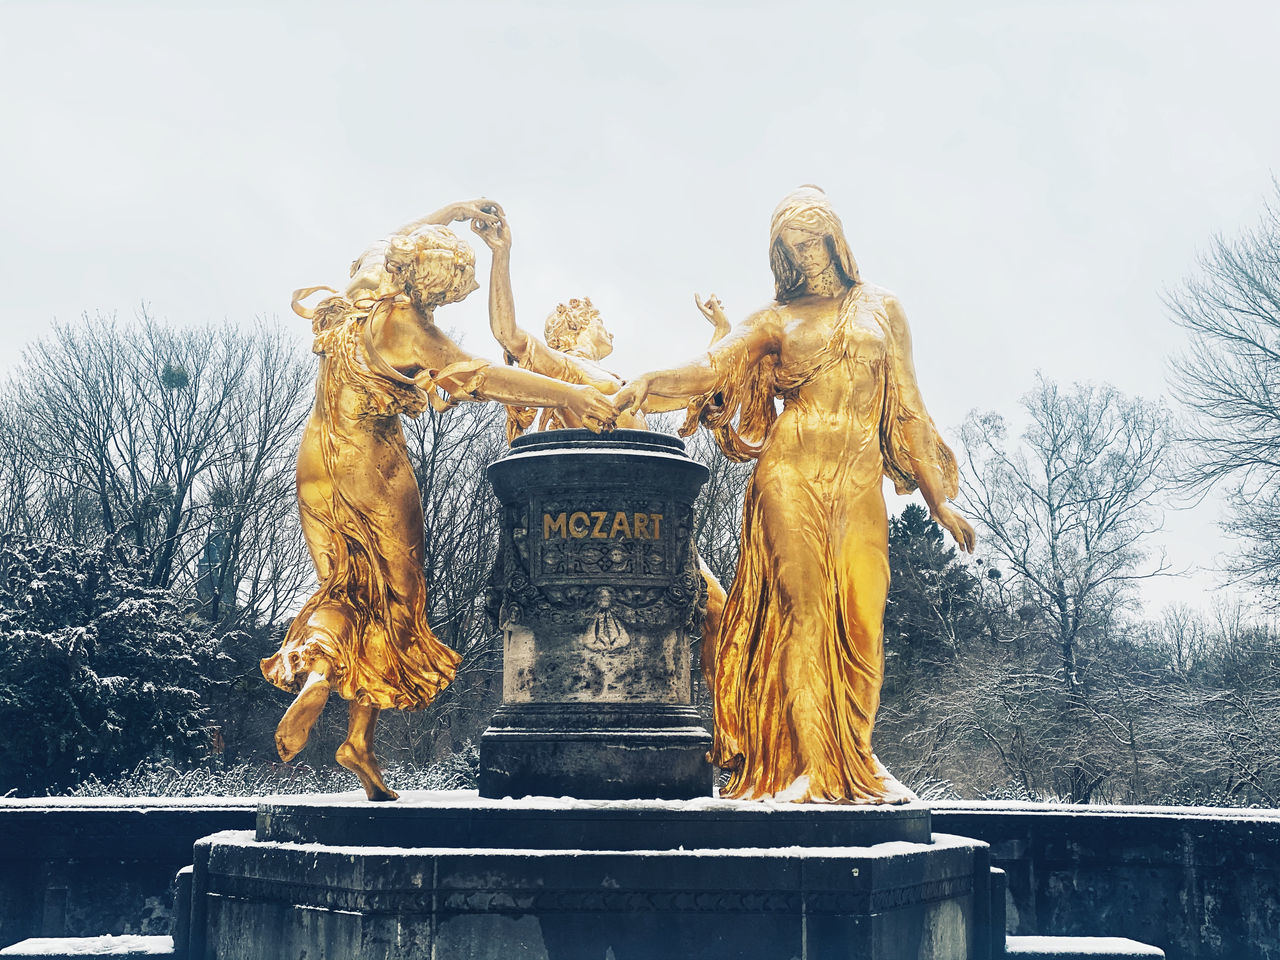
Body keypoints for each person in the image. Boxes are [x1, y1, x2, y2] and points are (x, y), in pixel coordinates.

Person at [613, 186, 975, 803]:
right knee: (804, 615)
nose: (805, 253)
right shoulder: (774, 319)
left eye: (812, 239)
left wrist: (939, 498)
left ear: (835, 238)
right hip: (790, 473)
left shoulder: (882, 307)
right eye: (791, 245)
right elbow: (713, 370)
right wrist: (652, 382)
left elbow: (910, 407)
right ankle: (813, 767)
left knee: (864, 620)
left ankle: (858, 759)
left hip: (859, 477)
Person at [262, 201, 614, 801]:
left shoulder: (363, 289)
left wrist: (449, 213)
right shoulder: (410, 327)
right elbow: (477, 375)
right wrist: (569, 395)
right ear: (436, 289)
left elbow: (395, 234)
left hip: (316, 461)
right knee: (398, 598)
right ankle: (345, 710)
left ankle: (332, 693)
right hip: (373, 467)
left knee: (344, 587)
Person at [470, 212, 730, 675]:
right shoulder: (564, 370)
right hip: (598, 511)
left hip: (652, 513)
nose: (608, 329)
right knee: (714, 609)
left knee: (720, 610)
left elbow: (694, 387)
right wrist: (501, 254)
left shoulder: (626, 383)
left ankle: (728, 728)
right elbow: (507, 334)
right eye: (597, 321)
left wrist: (721, 333)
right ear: (574, 328)